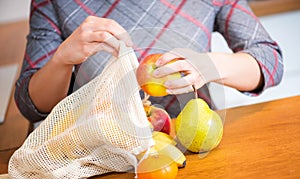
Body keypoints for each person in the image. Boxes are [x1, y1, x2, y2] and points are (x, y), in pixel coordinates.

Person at [15, 0, 283, 123]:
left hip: (189, 147)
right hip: (97, 153)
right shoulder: (53, 3)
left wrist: (210, 65)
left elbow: (270, 61)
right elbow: (30, 105)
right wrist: (62, 58)